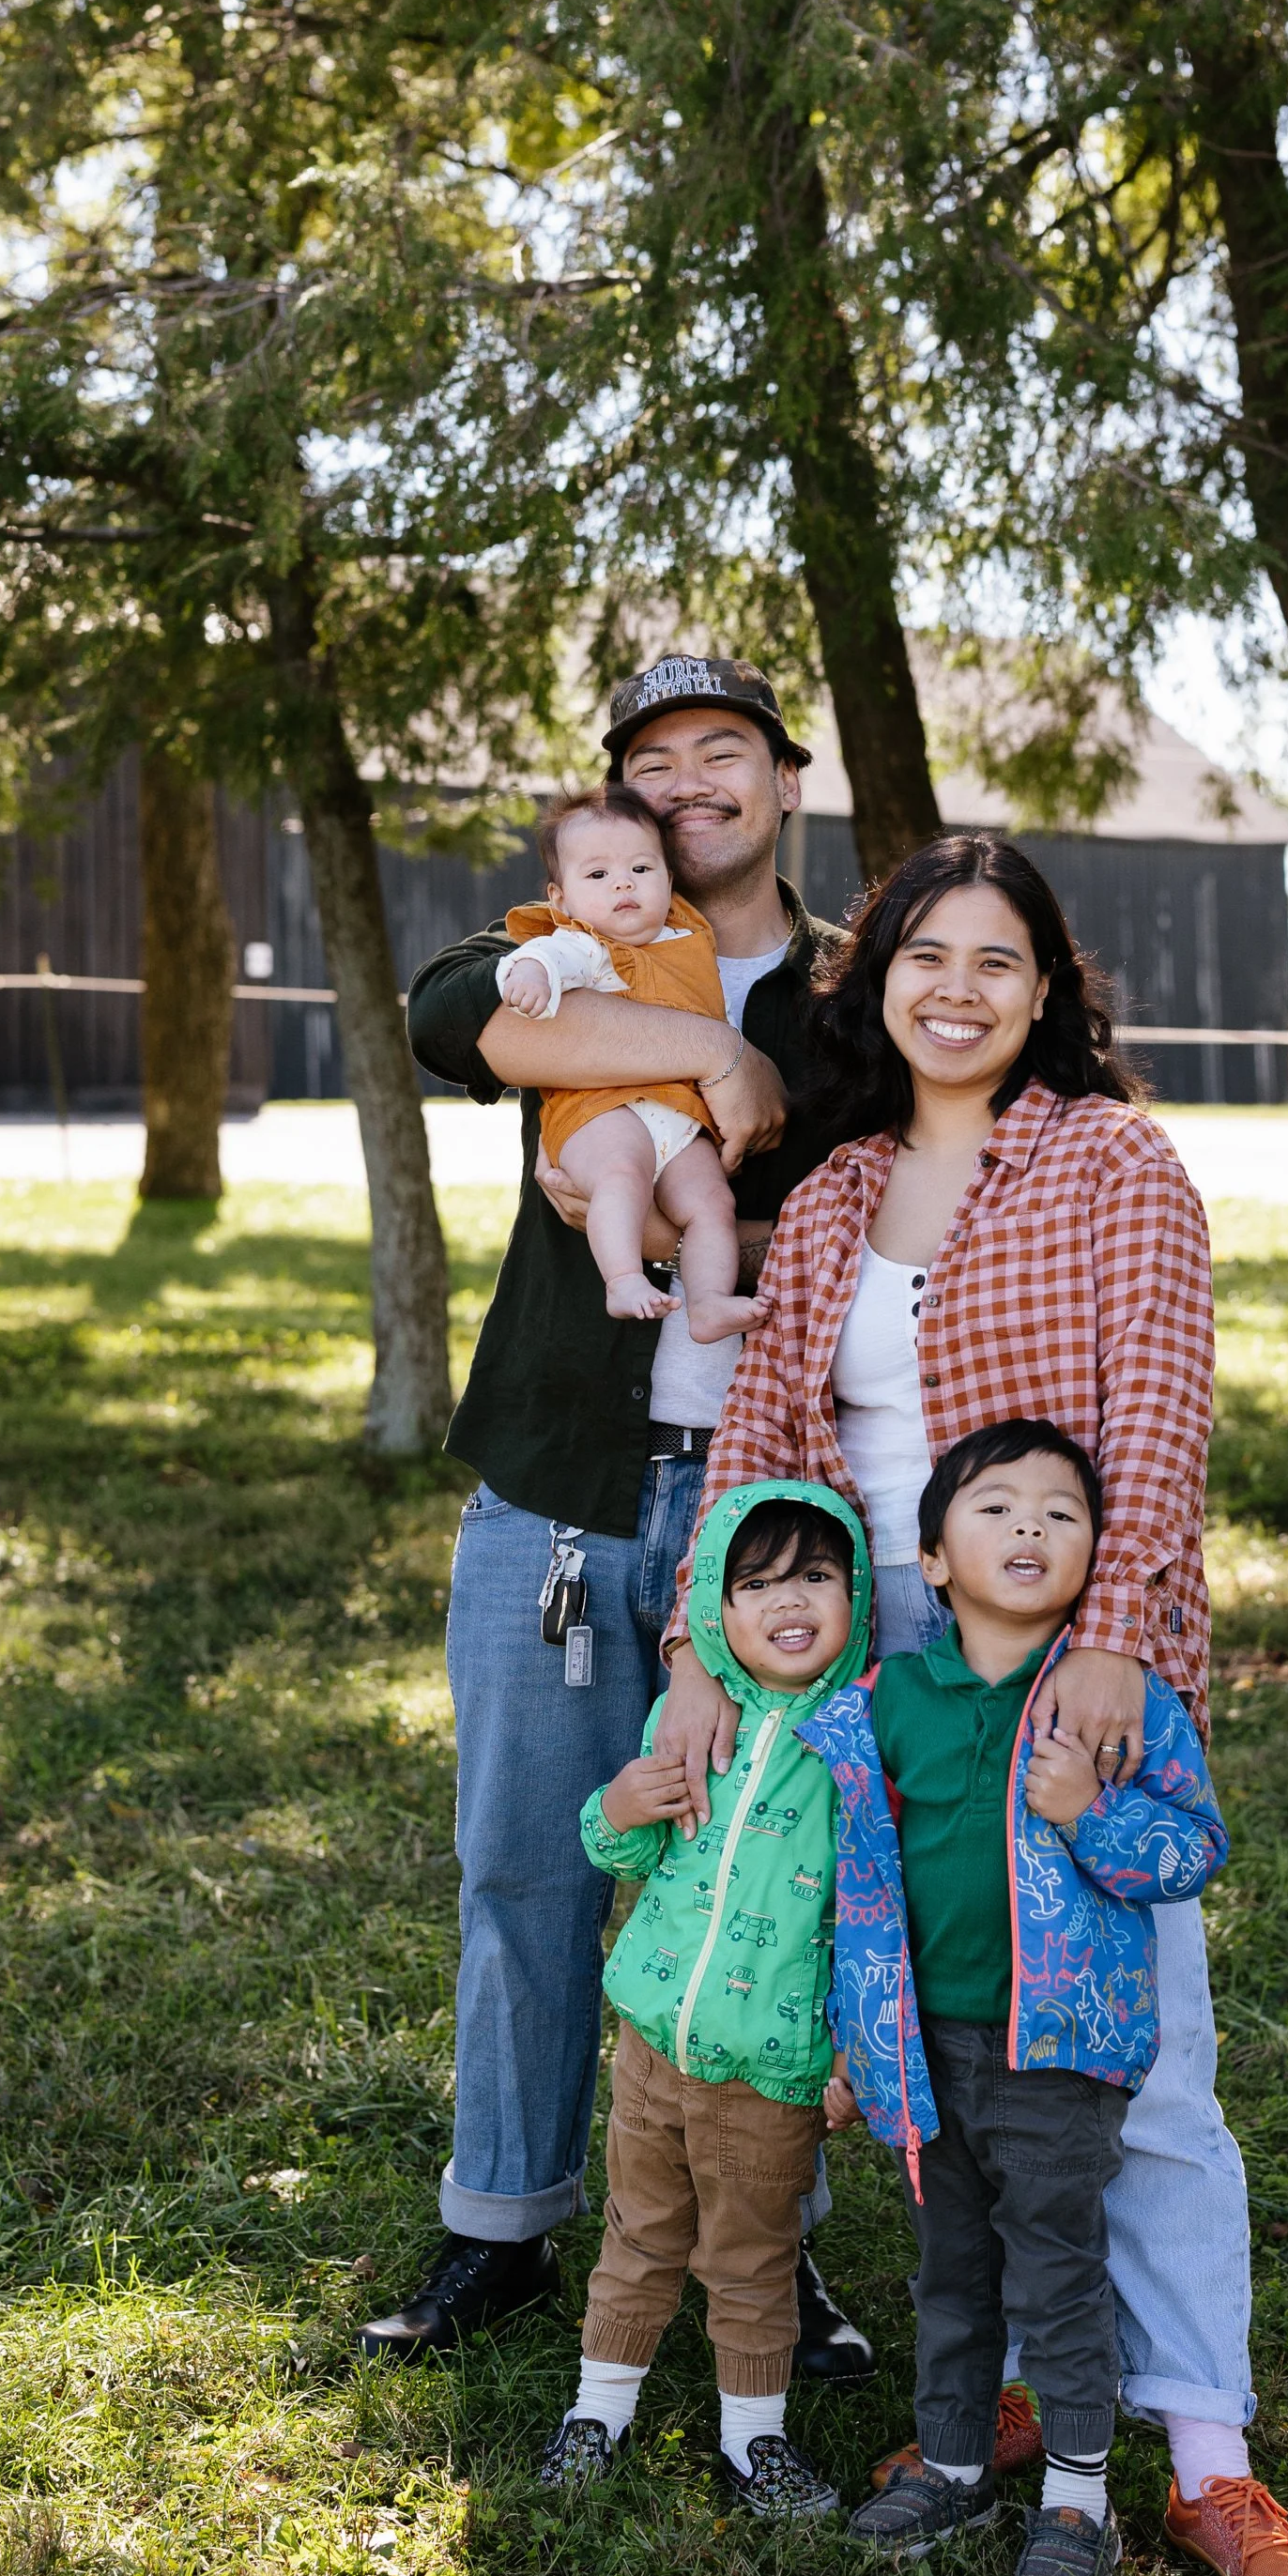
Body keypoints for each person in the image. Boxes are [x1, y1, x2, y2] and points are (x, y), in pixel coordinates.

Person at [652, 832, 1288, 2576]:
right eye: (921, 957)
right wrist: (703, 1660)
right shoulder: (830, 1195)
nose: (955, 989)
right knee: (937, 2058)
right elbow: (762, 1457)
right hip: (866, 1683)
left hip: (1056, 1658)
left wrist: (1114, 1641)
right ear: (875, 980)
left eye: (996, 961)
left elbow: (1163, 1412)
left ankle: (1206, 2459)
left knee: (1140, 2061)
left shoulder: (1113, 1163)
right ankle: (1027, 2389)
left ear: (1048, 992)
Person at [360, 655, 869, 2383]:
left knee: (757, 1877)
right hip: (561, 1482)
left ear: (783, 780)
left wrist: (760, 1032)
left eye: (724, 751)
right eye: (656, 762)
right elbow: (464, 1021)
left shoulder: (861, 984)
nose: (691, 783)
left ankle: (762, 2245)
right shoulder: (566, 926)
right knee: (521, 1862)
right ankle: (499, 2220)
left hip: (772, 1510)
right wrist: (702, 1043)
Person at [806, 1419, 1229, 2576]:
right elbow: (854, 1884)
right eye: (994, 1509)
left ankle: (1078, 2496)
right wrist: (857, 2040)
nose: (1030, 1527)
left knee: (1055, 2273)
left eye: (1060, 1511)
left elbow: (1194, 1850)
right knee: (949, 2272)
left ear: (1093, 1551)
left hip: (1056, 2052)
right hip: (925, 2054)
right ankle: (950, 2464)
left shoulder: (1116, 1703)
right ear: (930, 1559)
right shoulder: (886, 1700)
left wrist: (1091, 1808)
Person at [542, 1483, 871, 2518]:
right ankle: (598, 2409)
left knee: (750, 2260)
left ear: (855, 1595)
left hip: (770, 2069)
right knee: (637, 2235)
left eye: (815, 1576)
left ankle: (751, 2443)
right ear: (717, 1616)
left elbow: (873, 1922)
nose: (789, 1599)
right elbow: (626, 1846)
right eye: (758, 1580)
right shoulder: (690, 1716)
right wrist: (616, 1806)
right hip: (649, 2043)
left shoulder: (860, 1747)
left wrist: (852, 2055)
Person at [493, 782, 765, 1342]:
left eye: (642, 869)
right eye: (597, 876)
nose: (622, 883)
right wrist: (529, 976)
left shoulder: (690, 941)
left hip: (680, 1122)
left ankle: (710, 1301)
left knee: (713, 1202)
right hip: (602, 1113)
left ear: (669, 880)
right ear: (561, 898)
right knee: (622, 1174)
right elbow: (540, 956)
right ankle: (621, 1279)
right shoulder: (582, 944)